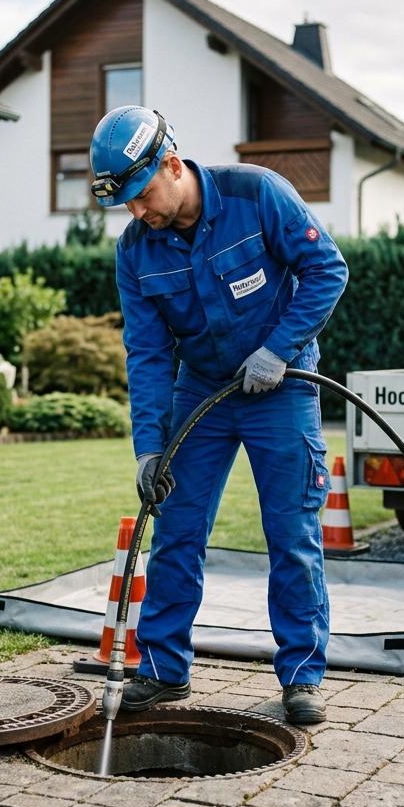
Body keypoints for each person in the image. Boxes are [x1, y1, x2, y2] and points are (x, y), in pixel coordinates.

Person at [91, 106, 348, 725]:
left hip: (279, 388)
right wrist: (149, 448)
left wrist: (279, 350)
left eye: (142, 194)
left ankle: (302, 676)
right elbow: (148, 351)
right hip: (201, 394)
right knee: (177, 529)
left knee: (291, 533)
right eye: (124, 203)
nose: (137, 212)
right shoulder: (136, 251)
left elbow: (325, 270)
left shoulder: (256, 195)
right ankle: (163, 668)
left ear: (172, 166)